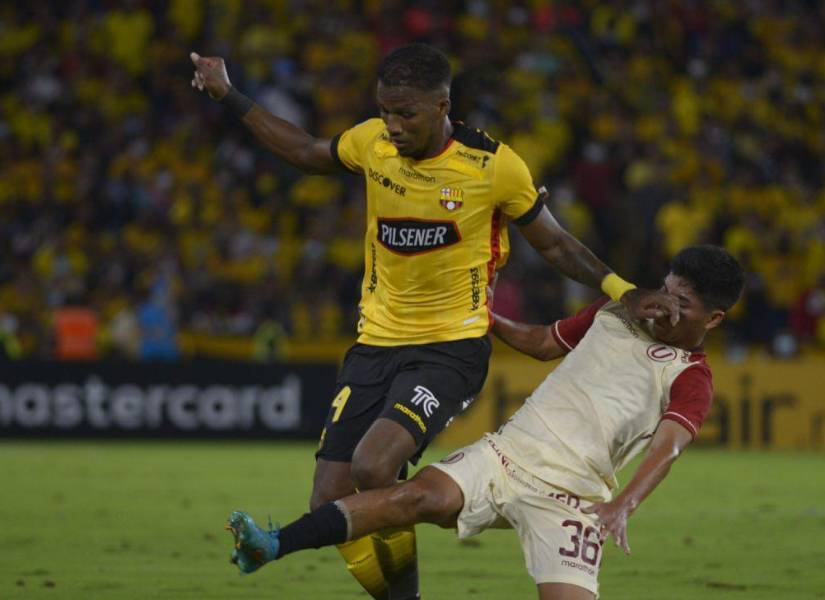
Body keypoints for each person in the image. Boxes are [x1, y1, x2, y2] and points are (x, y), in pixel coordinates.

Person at [191, 43, 679, 599]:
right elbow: (304, 150)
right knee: (328, 499)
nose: (392, 125)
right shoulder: (370, 142)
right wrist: (228, 93)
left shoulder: (493, 165)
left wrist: (622, 289)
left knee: (375, 467)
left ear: (442, 105)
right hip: (374, 343)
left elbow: (556, 243)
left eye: (406, 114)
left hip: (451, 347)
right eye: (385, 111)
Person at [224, 245, 744, 599]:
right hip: (506, 455)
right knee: (416, 498)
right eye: (666, 291)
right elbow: (543, 342)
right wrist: (485, 315)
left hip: (577, 496)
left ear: (713, 319)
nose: (665, 308)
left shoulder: (690, 375)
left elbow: (670, 446)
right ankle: (272, 545)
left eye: (683, 303)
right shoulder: (618, 312)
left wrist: (623, 504)